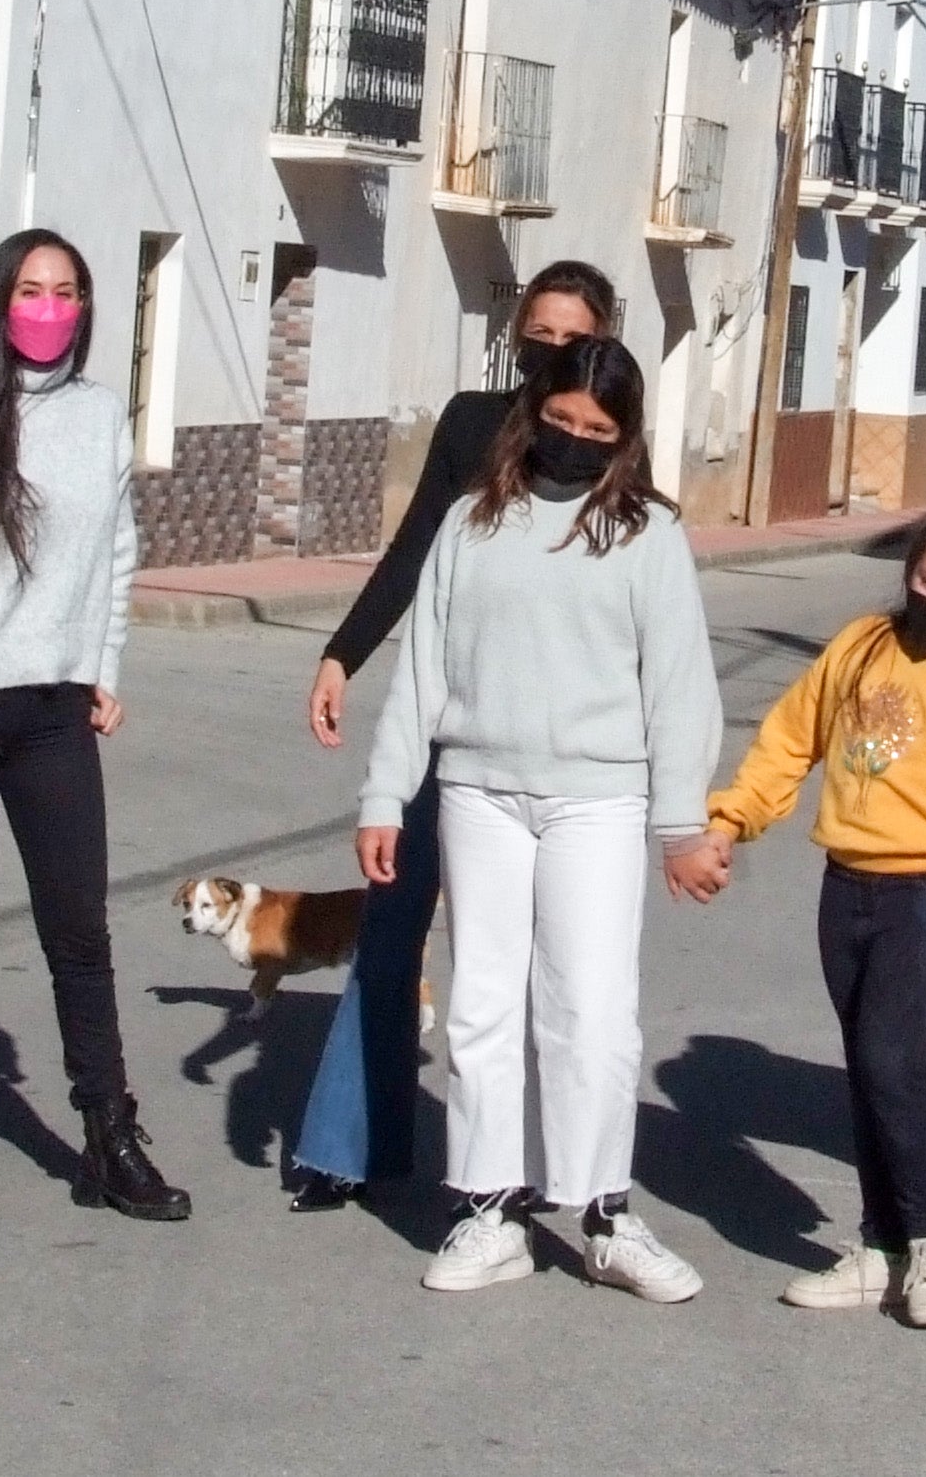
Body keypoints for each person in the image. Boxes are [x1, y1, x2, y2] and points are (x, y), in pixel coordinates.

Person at [356, 336, 722, 1302]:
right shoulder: (473, 524)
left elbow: (680, 689)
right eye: (559, 422)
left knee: (592, 1010)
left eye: (596, 432)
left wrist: (681, 826)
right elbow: (423, 671)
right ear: (534, 413)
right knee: (481, 1004)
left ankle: (603, 1209)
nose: (572, 442)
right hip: (479, 792)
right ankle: (488, 1209)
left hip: (599, 801)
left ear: (625, 440)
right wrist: (385, 795)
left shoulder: (648, 537)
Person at [289, 263, 613, 1212]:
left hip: (548, 739)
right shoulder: (473, 422)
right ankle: (347, 1146)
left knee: (530, 960)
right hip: (446, 718)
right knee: (391, 923)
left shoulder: (606, 448)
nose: (551, 352)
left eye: (572, 337)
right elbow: (414, 551)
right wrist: (342, 654)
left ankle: (537, 1168)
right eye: (539, 333)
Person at [0, 228, 186, 1228]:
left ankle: (110, 1139)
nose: (48, 305)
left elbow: (116, 551)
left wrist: (102, 668)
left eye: (66, 290)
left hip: (55, 710)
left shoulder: (102, 415)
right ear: (0, 301)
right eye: (31, 288)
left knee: (80, 933)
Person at [684, 507, 926, 1328]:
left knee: (893, 1061)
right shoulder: (860, 646)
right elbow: (788, 741)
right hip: (848, 885)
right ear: (908, 572)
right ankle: (883, 1247)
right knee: (867, 1064)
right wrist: (732, 818)